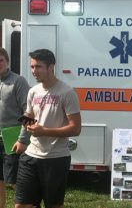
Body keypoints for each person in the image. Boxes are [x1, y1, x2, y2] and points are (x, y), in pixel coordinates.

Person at [15, 49, 82, 208]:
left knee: (53, 205)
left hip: (56, 159)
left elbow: (76, 128)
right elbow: (30, 115)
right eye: (32, 67)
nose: (34, 71)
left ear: (51, 67)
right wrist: (22, 133)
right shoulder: (33, 91)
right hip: (31, 155)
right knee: (21, 205)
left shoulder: (66, 92)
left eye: (38, 67)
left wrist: (45, 131)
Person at [0, 47, 30, 208]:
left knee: (15, 181)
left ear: (7, 62)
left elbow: (29, 111)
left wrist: (23, 139)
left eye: (0, 60)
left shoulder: (18, 81)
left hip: (12, 137)